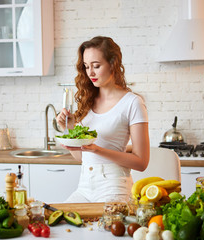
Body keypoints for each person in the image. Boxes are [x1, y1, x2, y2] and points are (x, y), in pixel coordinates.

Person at [56, 36, 150, 203]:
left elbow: (141, 162)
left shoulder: (132, 103)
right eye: (86, 67)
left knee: (104, 227)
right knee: (60, 221)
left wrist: (97, 149)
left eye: (96, 66)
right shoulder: (88, 101)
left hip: (114, 185)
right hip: (84, 186)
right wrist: (69, 129)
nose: (90, 72)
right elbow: (81, 158)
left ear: (113, 64)